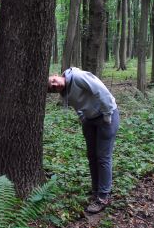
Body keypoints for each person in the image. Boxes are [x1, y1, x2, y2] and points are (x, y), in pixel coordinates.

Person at [48, 67, 119, 214]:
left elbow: (101, 91)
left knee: (103, 157)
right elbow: (78, 105)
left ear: (56, 75)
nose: (55, 85)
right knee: (92, 156)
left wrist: (106, 114)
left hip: (107, 116)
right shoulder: (65, 93)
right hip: (90, 120)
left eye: (53, 81)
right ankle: (96, 190)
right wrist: (83, 118)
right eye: (53, 88)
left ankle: (103, 197)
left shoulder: (78, 76)